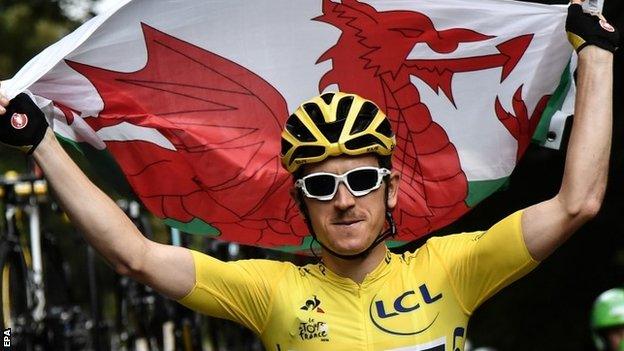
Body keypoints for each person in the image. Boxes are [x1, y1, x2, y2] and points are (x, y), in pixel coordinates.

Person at [0, 2, 618, 350]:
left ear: (392, 189)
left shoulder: (454, 268)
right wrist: (41, 142)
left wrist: (596, 52)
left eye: (361, 181)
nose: (344, 201)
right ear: (301, 202)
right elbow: (134, 255)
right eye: (321, 186)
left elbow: (577, 204)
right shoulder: (269, 291)